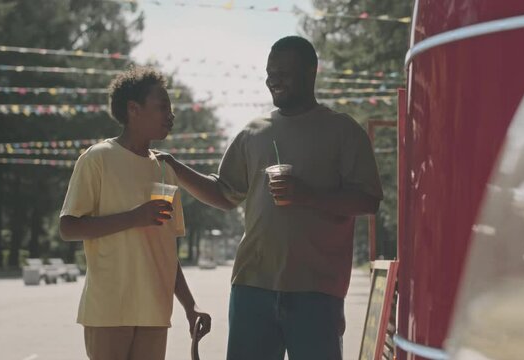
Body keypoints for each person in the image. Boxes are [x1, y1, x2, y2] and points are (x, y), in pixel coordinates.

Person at [157, 36, 383, 360]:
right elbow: (224, 193)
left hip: (317, 292)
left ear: (311, 71)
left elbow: (368, 200)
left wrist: (307, 195)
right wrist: (175, 168)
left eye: (283, 72)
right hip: (252, 288)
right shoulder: (253, 133)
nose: (272, 79)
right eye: (269, 72)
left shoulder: (343, 131)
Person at [59, 66, 210, 360]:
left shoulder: (165, 168)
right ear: (133, 109)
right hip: (108, 310)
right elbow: (69, 227)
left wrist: (190, 306)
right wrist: (133, 217)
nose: (171, 115)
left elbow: (166, 251)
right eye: (162, 107)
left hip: (155, 310)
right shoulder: (98, 158)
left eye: (171, 108)